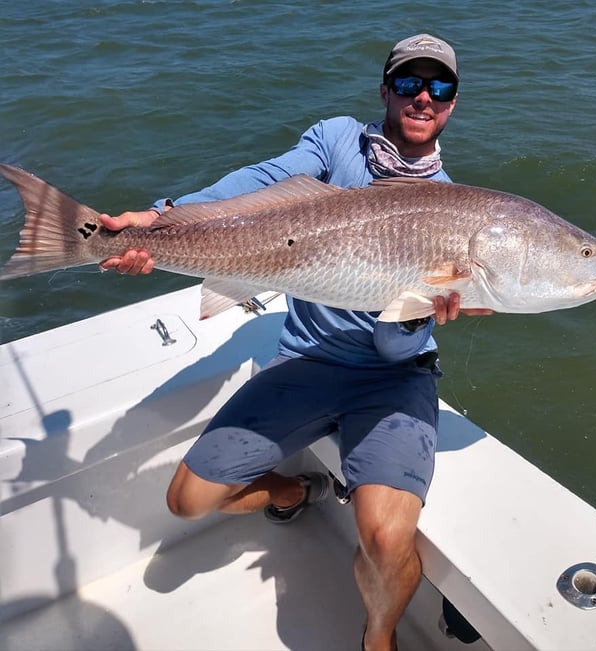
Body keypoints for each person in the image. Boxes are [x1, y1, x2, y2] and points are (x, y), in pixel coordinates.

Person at [99, 33, 491, 651]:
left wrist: (421, 316)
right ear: (386, 89)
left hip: (395, 377)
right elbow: (256, 185)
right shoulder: (338, 140)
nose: (424, 96)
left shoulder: (454, 207)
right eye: (410, 82)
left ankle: (379, 637)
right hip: (307, 361)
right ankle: (292, 489)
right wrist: (157, 220)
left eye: (439, 86)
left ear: (453, 101)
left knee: (387, 541)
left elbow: (395, 349)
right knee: (187, 500)